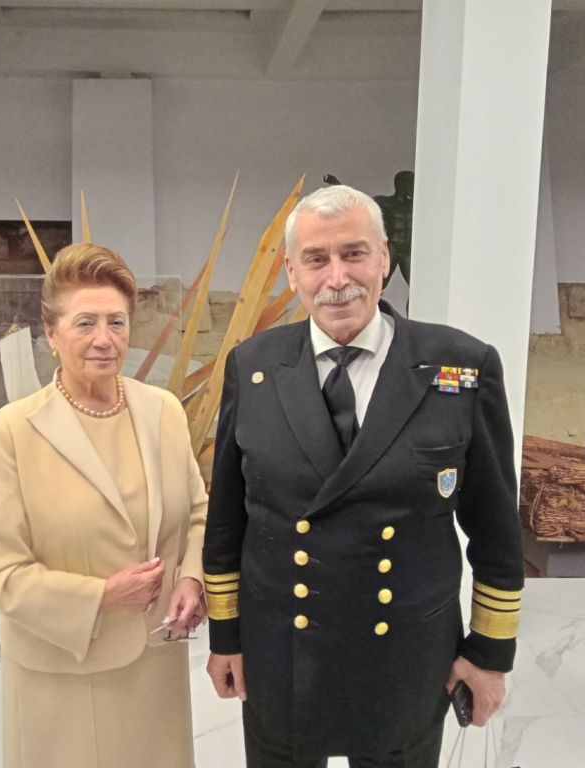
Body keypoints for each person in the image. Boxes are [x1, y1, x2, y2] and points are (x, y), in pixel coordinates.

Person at [202, 185, 525, 767]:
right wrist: (226, 637)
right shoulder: (253, 367)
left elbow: (496, 528)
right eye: (316, 259)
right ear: (292, 272)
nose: (337, 278)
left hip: (406, 655)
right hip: (283, 651)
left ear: (383, 259)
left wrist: (489, 653)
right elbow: (227, 520)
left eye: (354, 254)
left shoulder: (461, 366)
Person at [0, 243, 208, 768]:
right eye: (85, 323)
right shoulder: (14, 430)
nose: (104, 339)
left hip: (154, 669)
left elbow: (198, 512)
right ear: (51, 334)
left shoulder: (164, 412)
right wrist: (101, 596)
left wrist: (192, 578)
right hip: (62, 674)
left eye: (116, 322)